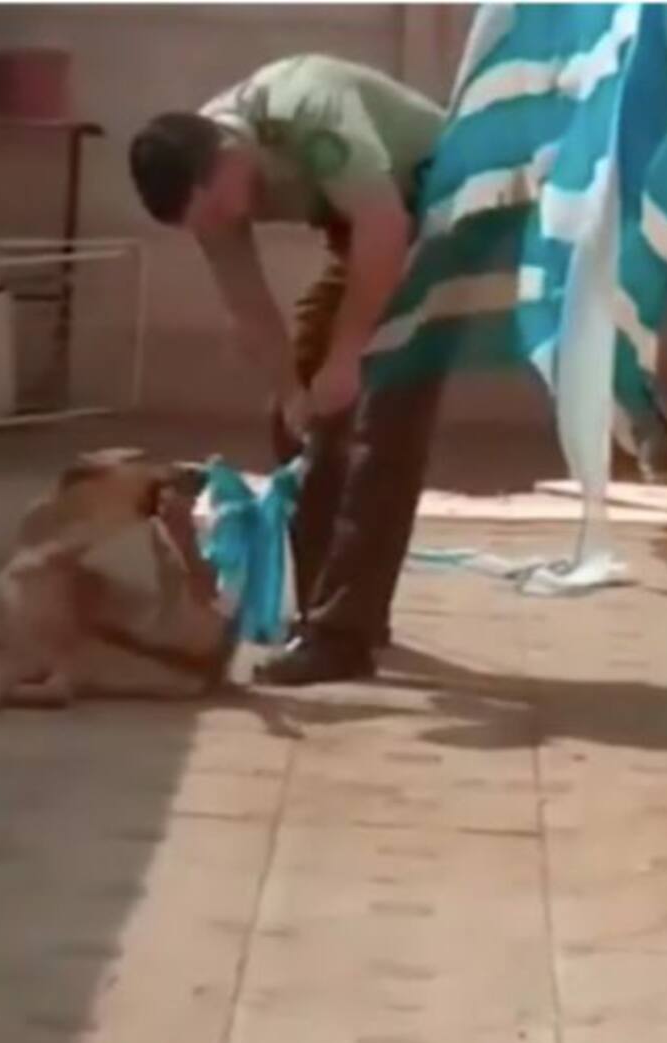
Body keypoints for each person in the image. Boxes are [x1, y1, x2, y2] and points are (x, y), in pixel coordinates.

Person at [129, 54, 443, 638]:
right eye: (205, 221)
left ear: (230, 155)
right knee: (302, 423)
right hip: (362, 233)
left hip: (440, 214)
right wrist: (293, 391)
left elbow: (385, 227)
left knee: (380, 420)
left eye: (218, 208)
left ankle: (344, 634)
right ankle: (318, 607)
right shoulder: (207, 176)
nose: (221, 222)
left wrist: (346, 357)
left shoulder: (309, 110)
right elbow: (247, 302)